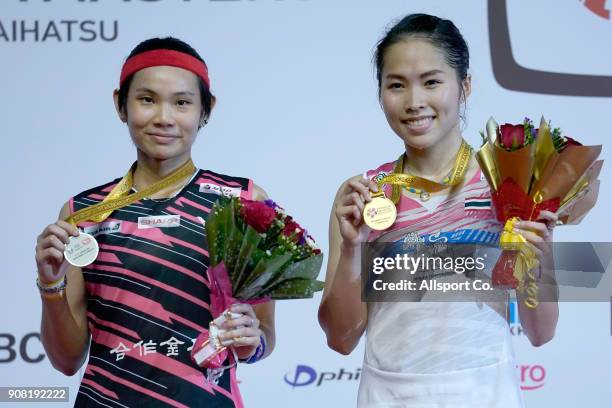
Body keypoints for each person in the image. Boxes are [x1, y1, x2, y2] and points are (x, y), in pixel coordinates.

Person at [318, 14, 558, 407]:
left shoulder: (511, 185)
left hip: (485, 393)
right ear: (380, 93)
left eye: (431, 82)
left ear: (464, 85)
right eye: (396, 85)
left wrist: (540, 258)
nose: (414, 102)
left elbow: (541, 332)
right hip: (387, 396)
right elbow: (340, 339)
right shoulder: (364, 195)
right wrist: (351, 251)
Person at [34, 37, 275, 407]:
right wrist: (51, 284)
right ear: (120, 104)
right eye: (147, 100)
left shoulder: (244, 202)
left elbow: (263, 341)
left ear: (206, 109)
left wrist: (251, 339)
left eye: (182, 102)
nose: (164, 117)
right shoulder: (82, 213)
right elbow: (66, 361)